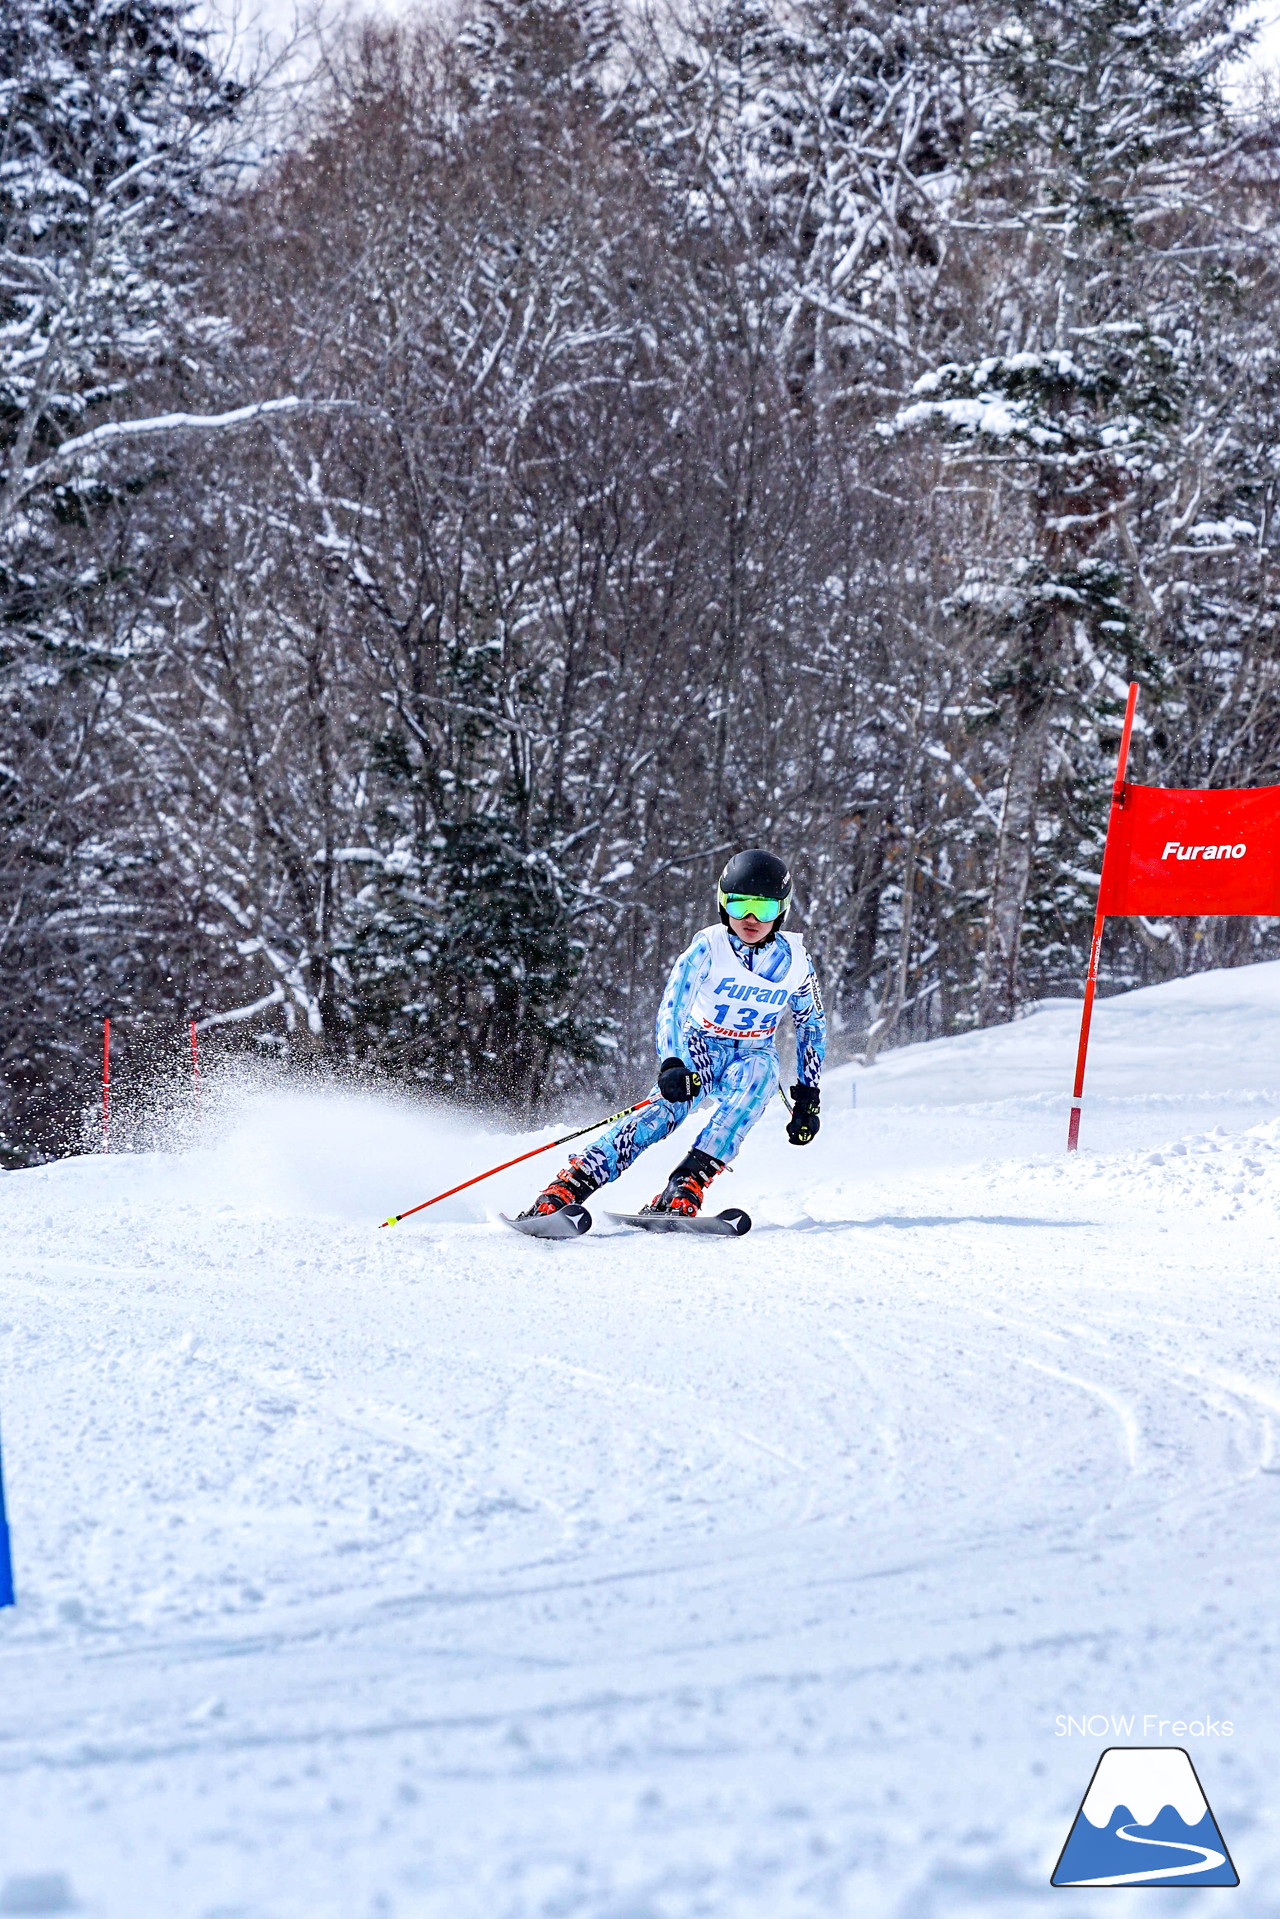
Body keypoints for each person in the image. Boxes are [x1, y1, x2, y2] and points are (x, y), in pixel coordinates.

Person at [520, 848, 826, 1219]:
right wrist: (673, 1061)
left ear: (781, 910)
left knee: (761, 1078)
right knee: (662, 1114)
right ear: (722, 904)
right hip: (700, 1045)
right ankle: (570, 1185)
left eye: (762, 909)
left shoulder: (796, 962)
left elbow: (811, 1022)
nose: (749, 918)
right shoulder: (708, 948)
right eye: (738, 904)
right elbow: (674, 1006)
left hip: (752, 1051)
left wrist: (808, 1093)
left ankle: (686, 1184)